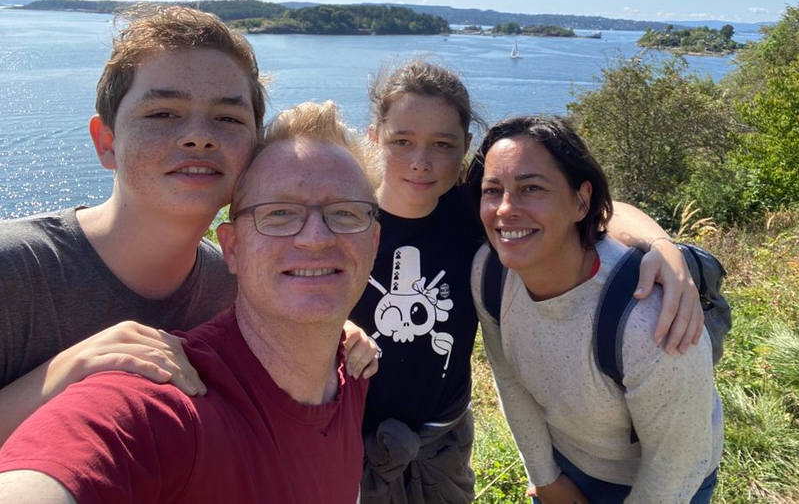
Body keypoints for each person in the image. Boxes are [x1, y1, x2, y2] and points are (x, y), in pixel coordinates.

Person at [0, 5, 376, 446]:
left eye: (228, 118)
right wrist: (61, 374)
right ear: (107, 142)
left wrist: (326, 331)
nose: (199, 136)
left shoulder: (236, 284)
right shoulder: (15, 272)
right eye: (163, 113)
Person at [351, 60, 705, 504]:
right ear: (373, 138)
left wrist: (663, 248)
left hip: (441, 442)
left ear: (464, 148)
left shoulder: (472, 211)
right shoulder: (345, 217)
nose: (421, 162)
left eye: (442, 144)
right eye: (401, 141)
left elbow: (596, 211)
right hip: (349, 443)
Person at [0, 101, 382, 503]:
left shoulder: (352, 372)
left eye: (345, 213)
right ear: (232, 248)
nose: (316, 237)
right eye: (279, 214)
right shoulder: (164, 402)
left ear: (372, 242)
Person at [470, 116, 722, 504]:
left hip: (663, 484)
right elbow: (509, 378)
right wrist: (546, 478)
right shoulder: (490, 275)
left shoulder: (648, 317)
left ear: (581, 200)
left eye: (531, 188)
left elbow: (676, 465)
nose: (506, 209)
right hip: (566, 463)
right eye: (493, 190)